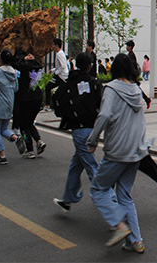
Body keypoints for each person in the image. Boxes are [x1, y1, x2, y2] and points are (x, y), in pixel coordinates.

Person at [87, 53, 148, 253]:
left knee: (98, 189)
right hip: (135, 151)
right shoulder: (136, 90)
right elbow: (141, 122)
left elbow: (104, 114)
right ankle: (135, 241)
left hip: (117, 151)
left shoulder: (111, 89)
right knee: (124, 195)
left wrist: (92, 140)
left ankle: (119, 226)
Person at [53, 52, 104, 212]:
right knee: (76, 165)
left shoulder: (70, 82)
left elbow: (57, 100)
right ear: (89, 66)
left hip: (79, 130)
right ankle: (68, 198)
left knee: (91, 167)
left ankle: (110, 201)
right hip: (92, 129)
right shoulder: (94, 82)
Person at [13, 49, 47, 159]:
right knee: (30, 122)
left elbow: (14, 64)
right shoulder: (37, 65)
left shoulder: (23, 66)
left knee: (23, 125)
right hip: (38, 98)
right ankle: (39, 141)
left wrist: (22, 59)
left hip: (26, 99)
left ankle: (30, 150)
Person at [45, 38, 68, 112]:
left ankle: (48, 106)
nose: (52, 46)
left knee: (48, 87)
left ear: (57, 45)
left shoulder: (59, 54)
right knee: (59, 91)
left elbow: (63, 66)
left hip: (61, 76)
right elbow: (60, 66)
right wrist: (53, 70)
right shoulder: (60, 53)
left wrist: (56, 72)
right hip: (61, 75)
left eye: (53, 45)